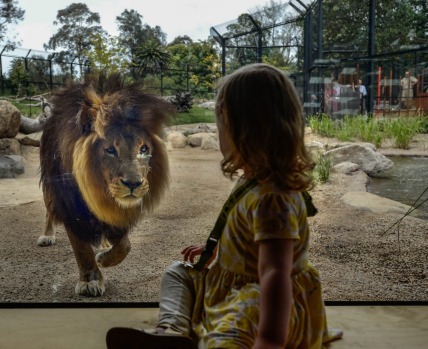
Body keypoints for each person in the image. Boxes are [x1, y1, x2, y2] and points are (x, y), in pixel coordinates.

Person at [106, 63, 343, 349]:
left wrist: (270, 339)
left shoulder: (273, 199)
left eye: (222, 126)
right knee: (178, 273)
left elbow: (275, 273)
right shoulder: (255, 178)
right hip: (235, 284)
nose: (220, 136)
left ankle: (222, 338)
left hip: (261, 300)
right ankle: (172, 331)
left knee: (231, 330)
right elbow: (248, 232)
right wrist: (221, 248)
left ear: (246, 131)